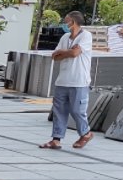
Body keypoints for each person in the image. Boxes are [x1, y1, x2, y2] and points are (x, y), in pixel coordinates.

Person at [40, 11, 94, 150]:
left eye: (67, 21)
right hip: (62, 80)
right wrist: (68, 52)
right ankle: (56, 139)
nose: (65, 24)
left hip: (79, 81)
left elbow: (75, 53)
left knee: (77, 110)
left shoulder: (86, 36)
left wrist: (65, 52)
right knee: (59, 111)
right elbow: (55, 56)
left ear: (74, 22)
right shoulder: (65, 37)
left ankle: (86, 133)